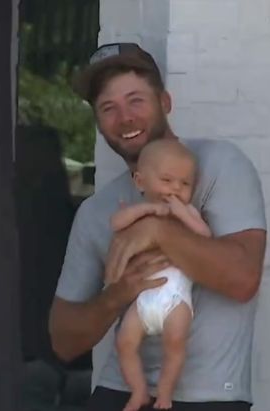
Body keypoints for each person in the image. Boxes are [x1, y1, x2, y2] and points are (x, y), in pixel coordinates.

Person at [48, 43, 266, 411]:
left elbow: (243, 279)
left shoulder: (222, 165)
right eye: (108, 108)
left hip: (208, 395)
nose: (125, 118)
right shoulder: (97, 210)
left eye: (136, 100)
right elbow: (64, 341)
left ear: (165, 102)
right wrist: (117, 294)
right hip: (122, 390)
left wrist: (158, 232)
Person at [108, 139, 212, 410]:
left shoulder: (186, 213)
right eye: (167, 180)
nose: (176, 189)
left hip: (174, 297)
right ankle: (139, 391)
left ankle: (164, 395)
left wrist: (184, 215)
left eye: (185, 184)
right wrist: (150, 209)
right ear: (141, 182)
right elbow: (116, 223)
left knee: (174, 344)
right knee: (124, 342)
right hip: (143, 301)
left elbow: (205, 236)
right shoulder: (138, 212)